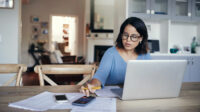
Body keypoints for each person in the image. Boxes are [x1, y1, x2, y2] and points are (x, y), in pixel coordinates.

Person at [81, 17, 151, 96]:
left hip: (135, 96)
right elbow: (100, 76)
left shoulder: (145, 55)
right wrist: (93, 85)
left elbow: (148, 80)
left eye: (134, 36)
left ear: (141, 38)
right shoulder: (111, 53)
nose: (128, 40)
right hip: (110, 97)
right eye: (125, 35)